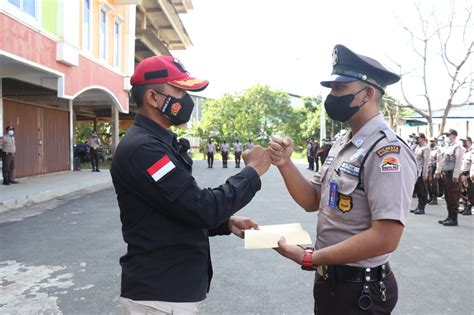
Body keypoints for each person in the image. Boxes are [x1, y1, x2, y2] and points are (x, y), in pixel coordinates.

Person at [110, 55, 271, 314]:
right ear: (152, 97)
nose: (186, 101)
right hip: (160, 297)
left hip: (169, 292)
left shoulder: (158, 142)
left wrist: (226, 222)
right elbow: (201, 208)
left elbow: (179, 206)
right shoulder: (144, 149)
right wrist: (253, 172)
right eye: (179, 92)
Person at [269, 44, 417, 314]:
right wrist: (284, 163)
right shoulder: (342, 143)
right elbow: (312, 200)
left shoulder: (386, 152)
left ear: (368, 94)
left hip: (361, 291)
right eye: (331, 89)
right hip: (331, 282)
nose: (331, 95)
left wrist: (310, 257)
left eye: (339, 89)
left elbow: (386, 237)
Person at [435, 129, 465, 226]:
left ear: (454, 136)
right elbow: (442, 161)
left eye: (449, 135)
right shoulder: (447, 147)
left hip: (452, 175)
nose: (447, 137)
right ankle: (449, 216)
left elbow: (458, 162)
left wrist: (456, 175)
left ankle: (454, 218)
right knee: (448, 196)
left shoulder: (458, 147)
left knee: (453, 197)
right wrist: (438, 171)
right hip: (446, 174)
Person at [411, 133, 430, 214]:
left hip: (421, 171)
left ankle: (422, 207)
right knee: (418, 189)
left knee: (422, 190)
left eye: (418, 138)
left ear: (422, 138)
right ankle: (418, 206)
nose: (416, 140)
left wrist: (425, 173)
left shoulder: (426, 148)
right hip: (416, 170)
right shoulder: (417, 147)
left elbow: (426, 162)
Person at [459, 136, 472, 215]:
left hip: (468, 174)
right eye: (462, 141)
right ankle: (465, 206)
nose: (463, 143)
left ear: (470, 142)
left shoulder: (472, 152)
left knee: (469, 192)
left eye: (465, 141)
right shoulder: (463, 151)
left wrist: (469, 175)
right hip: (462, 173)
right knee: (462, 191)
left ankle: (469, 208)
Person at [427, 138, 440, 205]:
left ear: (435, 142)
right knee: (428, 183)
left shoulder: (437, 150)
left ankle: (435, 198)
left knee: (433, 184)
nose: (431, 142)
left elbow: (438, 161)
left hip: (434, 167)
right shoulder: (428, 149)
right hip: (428, 167)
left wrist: (437, 171)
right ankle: (430, 197)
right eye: (430, 141)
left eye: (433, 141)